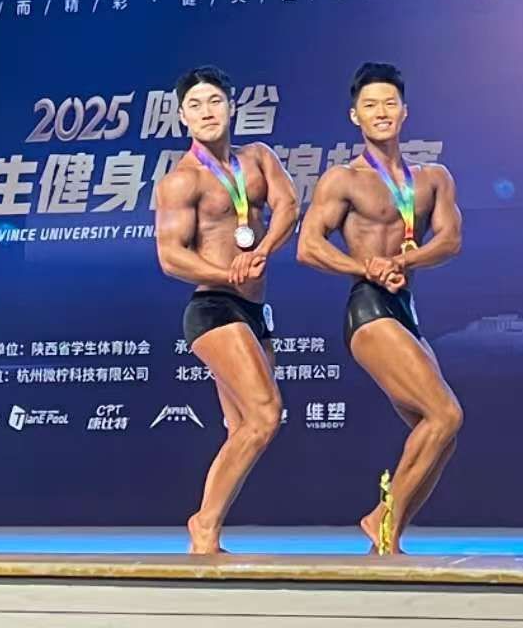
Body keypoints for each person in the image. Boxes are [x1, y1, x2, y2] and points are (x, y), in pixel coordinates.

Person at [298, 62, 463, 554]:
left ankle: (387, 544)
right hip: (368, 308)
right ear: (355, 116)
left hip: (405, 307)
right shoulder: (343, 179)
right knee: (444, 415)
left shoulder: (432, 178)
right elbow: (308, 247)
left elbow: (450, 240)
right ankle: (380, 519)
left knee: (439, 434)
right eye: (370, 105)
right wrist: (366, 266)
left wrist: (403, 260)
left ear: (404, 111)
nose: (381, 112)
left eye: (390, 103)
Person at [153, 65, 300, 554]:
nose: (206, 112)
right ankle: (203, 524)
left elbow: (288, 206)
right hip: (213, 307)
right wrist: (227, 274)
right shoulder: (181, 180)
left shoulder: (258, 158)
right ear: (182, 117)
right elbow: (170, 257)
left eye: (214, 101)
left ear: (231, 107)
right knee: (265, 415)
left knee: (243, 428)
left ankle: (208, 535)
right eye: (194, 105)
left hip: (255, 311)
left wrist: (262, 252)